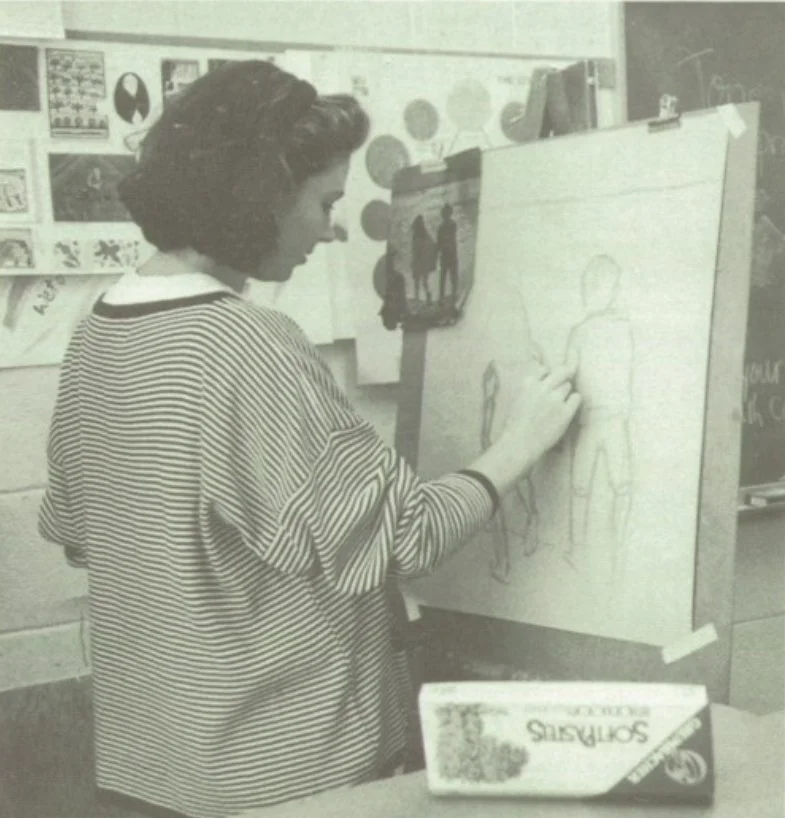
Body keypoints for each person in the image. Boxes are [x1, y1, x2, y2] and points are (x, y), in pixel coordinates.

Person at [38, 60, 580, 818]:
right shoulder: (249, 344)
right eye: (325, 202)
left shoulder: (98, 333)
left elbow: (76, 534)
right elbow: (407, 539)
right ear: (259, 197)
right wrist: (520, 442)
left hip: (150, 769)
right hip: (284, 779)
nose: (331, 229)